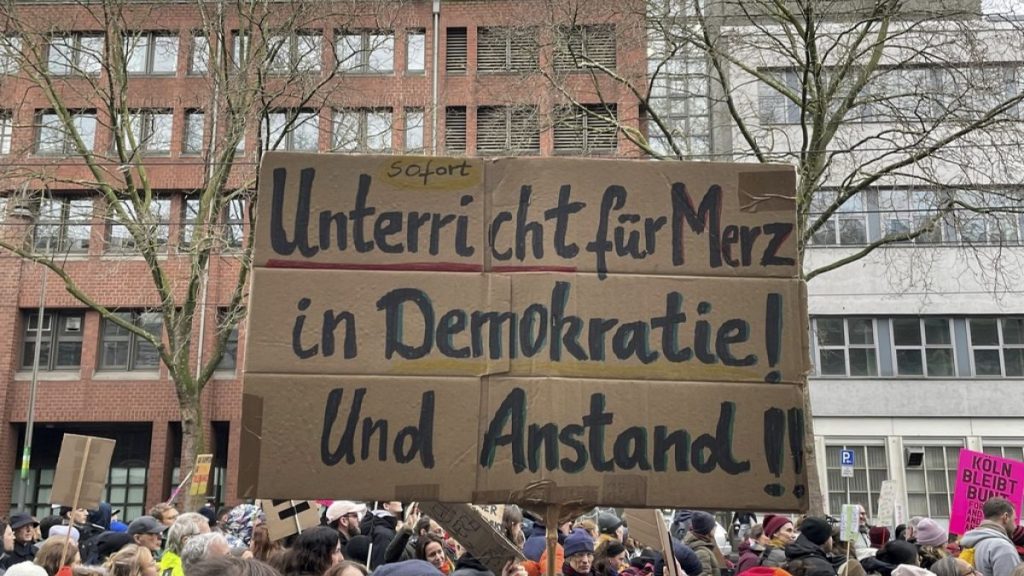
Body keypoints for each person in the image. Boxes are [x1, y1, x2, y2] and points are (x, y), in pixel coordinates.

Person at [961, 498, 1022, 576]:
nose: (1015, 526)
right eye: (1014, 520)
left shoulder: (971, 542)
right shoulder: (1002, 547)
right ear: (1005, 517)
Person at [359, 502, 401, 571]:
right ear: (386, 506)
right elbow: (382, 567)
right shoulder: (383, 534)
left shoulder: (384, 528)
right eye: (395, 499)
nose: (399, 501)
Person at [684, 512, 722, 576]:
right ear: (707, 529)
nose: (715, 528)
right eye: (713, 526)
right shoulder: (702, 552)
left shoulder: (698, 544)